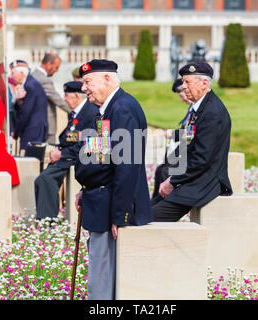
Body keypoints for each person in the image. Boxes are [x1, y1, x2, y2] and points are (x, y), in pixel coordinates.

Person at [74, 59, 153, 300]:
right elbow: (102, 156)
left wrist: (120, 214)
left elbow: (126, 166)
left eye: (88, 82)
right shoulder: (108, 108)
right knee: (101, 275)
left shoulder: (122, 108)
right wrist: (85, 188)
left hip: (111, 207)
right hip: (99, 200)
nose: (84, 88)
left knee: (102, 279)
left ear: (108, 79)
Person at [152, 61, 233, 222]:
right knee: (144, 212)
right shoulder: (199, 109)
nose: (183, 86)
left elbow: (202, 159)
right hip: (192, 179)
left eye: (187, 82)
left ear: (204, 83)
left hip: (203, 184)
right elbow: (189, 145)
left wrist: (173, 181)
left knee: (149, 218)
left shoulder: (211, 112)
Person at [34, 81, 98, 220]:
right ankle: (45, 217)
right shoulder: (77, 112)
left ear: (77, 95)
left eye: (66, 95)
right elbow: (70, 137)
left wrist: (62, 153)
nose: (64, 99)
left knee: (46, 179)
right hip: (67, 155)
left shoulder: (90, 112)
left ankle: (47, 220)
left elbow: (87, 142)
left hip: (76, 157)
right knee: (41, 180)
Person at [151, 78, 192, 203]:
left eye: (181, 95)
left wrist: (174, 134)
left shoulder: (196, 110)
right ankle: (154, 203)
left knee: (165, 171)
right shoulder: (192, 109)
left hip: (189, 154)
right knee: (160, 170)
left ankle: (162, 203)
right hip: (183, 151)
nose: (181, 99)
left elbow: (190, 134)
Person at [31, 53, 71, 143]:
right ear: (49, 64)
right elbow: (58, 101)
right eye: (56, 67)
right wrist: (78, 110)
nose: (56, 71)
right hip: (45, 128)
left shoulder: (34, 75)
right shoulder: (42, 79)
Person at [10, 60, 48, 152]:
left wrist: (16, 131)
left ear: (22, 73)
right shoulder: (30, 83)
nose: (11, 76)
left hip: (32, 131)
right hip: (34, 130)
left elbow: (25, 112)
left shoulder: (30, 86)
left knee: (29, 161)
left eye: (13, 73)